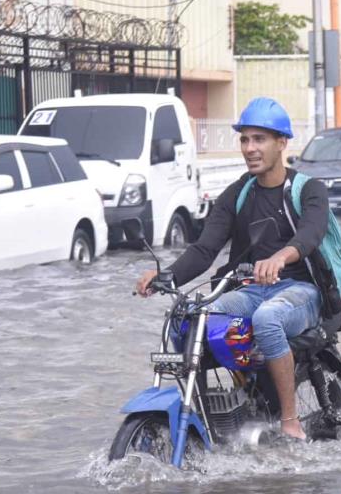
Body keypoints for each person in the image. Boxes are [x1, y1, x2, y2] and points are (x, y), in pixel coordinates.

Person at [136, 97, 330, 440]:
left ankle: (289, 422)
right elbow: (205, 248)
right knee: (194, 316)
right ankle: (218, 412)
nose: (250, 148)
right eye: (244, 139)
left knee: (267, 319)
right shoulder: (237, 194)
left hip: (300, 291)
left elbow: (309, 235)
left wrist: (280, 258)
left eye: (260, 139)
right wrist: (166, 276)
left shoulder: (308, 190)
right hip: (251, 290)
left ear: (282, 143)